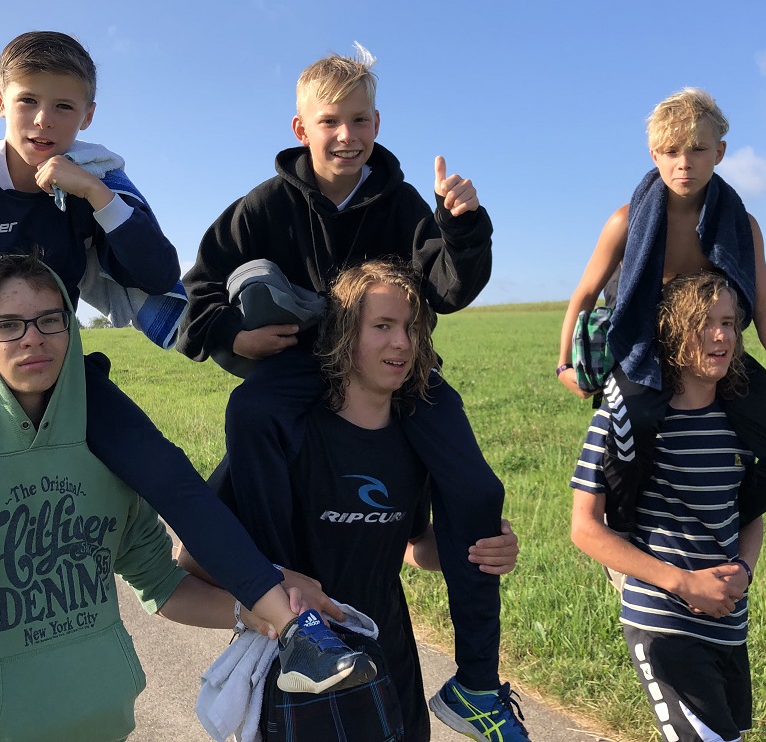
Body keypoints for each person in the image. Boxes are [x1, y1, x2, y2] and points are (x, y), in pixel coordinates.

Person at [0, 32, 366, 709]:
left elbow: (157, 270)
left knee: (167, 470)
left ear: (88, 115)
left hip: (62, 372)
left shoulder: (87, 183)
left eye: (64, 107)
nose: (44, 121)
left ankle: (296, 633)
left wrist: (96, 195)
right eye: (28, 102)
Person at [0, 255, 362, 741]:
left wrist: (252, 608)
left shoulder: (105, 452)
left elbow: (161, 584)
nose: (34, 339)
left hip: (104, 728)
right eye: (8, 325)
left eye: (51, 320)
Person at [176, 45, 526, 739]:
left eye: (360, 120)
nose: (347, 135)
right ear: (301, 128)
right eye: (330, 121)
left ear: (377, 123)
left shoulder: (401, 202)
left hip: (394, 364)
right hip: (302, 366)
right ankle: (288, 600)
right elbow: (198, 293)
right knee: (250, 408)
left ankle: (478, 684)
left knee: (477, 490)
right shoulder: (265, 206)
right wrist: (236, 335)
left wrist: (462, 226)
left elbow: (448, 288)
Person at [184, 260, 525, 741]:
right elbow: (194, 560)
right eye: (382, 326)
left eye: (411, 328)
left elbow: (413, 546)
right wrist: (275, 580)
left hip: (390, 658)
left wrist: (480, 549)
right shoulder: (284, 434)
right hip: (304, 667)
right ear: (344, 334)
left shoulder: (415, 437)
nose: (402, 342)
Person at [555, 88, 766, 531]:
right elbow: (584, 294)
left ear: (719, 153)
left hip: (716, 350)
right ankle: (625, 532)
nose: (684, 163)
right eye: (672, 151)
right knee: (632, 426)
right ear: (654, 155)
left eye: (697, 149)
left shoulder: (742, 226)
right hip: (644, 349)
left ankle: (718, 519)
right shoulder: (626, 221)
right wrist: (566, 367)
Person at [570, 271, 765, 742]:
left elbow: (751, 511)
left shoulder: (741, 420)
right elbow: (585, 529)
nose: (721, 336)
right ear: (672, 335)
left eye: (728, 323)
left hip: (729, 624)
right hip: (663, 619)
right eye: (704, 324)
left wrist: (745, 569)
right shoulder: (625, 420)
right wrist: (683, 583)